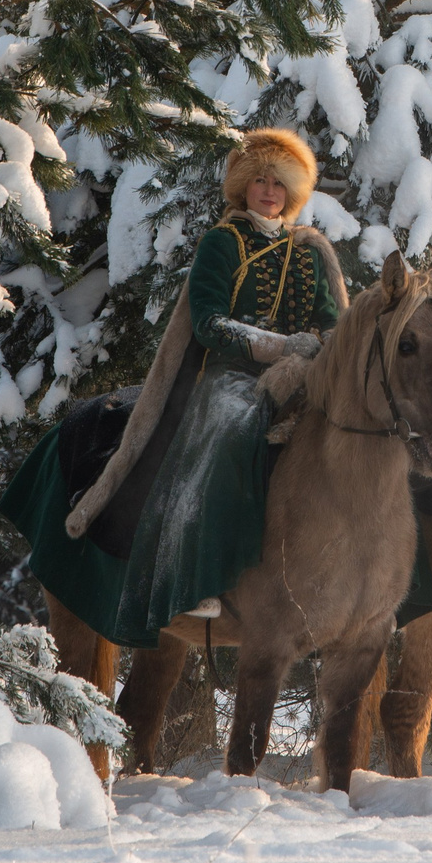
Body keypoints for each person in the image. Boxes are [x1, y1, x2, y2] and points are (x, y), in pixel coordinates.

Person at [101, 127, 343, 643]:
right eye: (259, 180)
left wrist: (321, 346)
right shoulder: (222, 242)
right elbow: (211, 322)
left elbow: (331, 317)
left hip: (306, 376)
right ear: (242, 187)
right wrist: (279, 346)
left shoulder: (310, 251)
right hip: (233, 375)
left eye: (279, 183)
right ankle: (199, 573)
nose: (269, 191)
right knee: (232, 432)